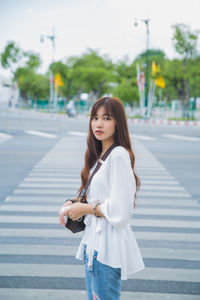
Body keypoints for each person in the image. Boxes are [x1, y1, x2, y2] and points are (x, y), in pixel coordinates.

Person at [59, 96, 145, 300]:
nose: (98, 124)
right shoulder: (101, 154)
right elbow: (100, 196)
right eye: (95, 117)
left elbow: (121, 212)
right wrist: (74, 203)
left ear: (118, 123)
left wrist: (84, 209)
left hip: (107, 249)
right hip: (94, 245)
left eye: (106, 118)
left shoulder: (118, 156)